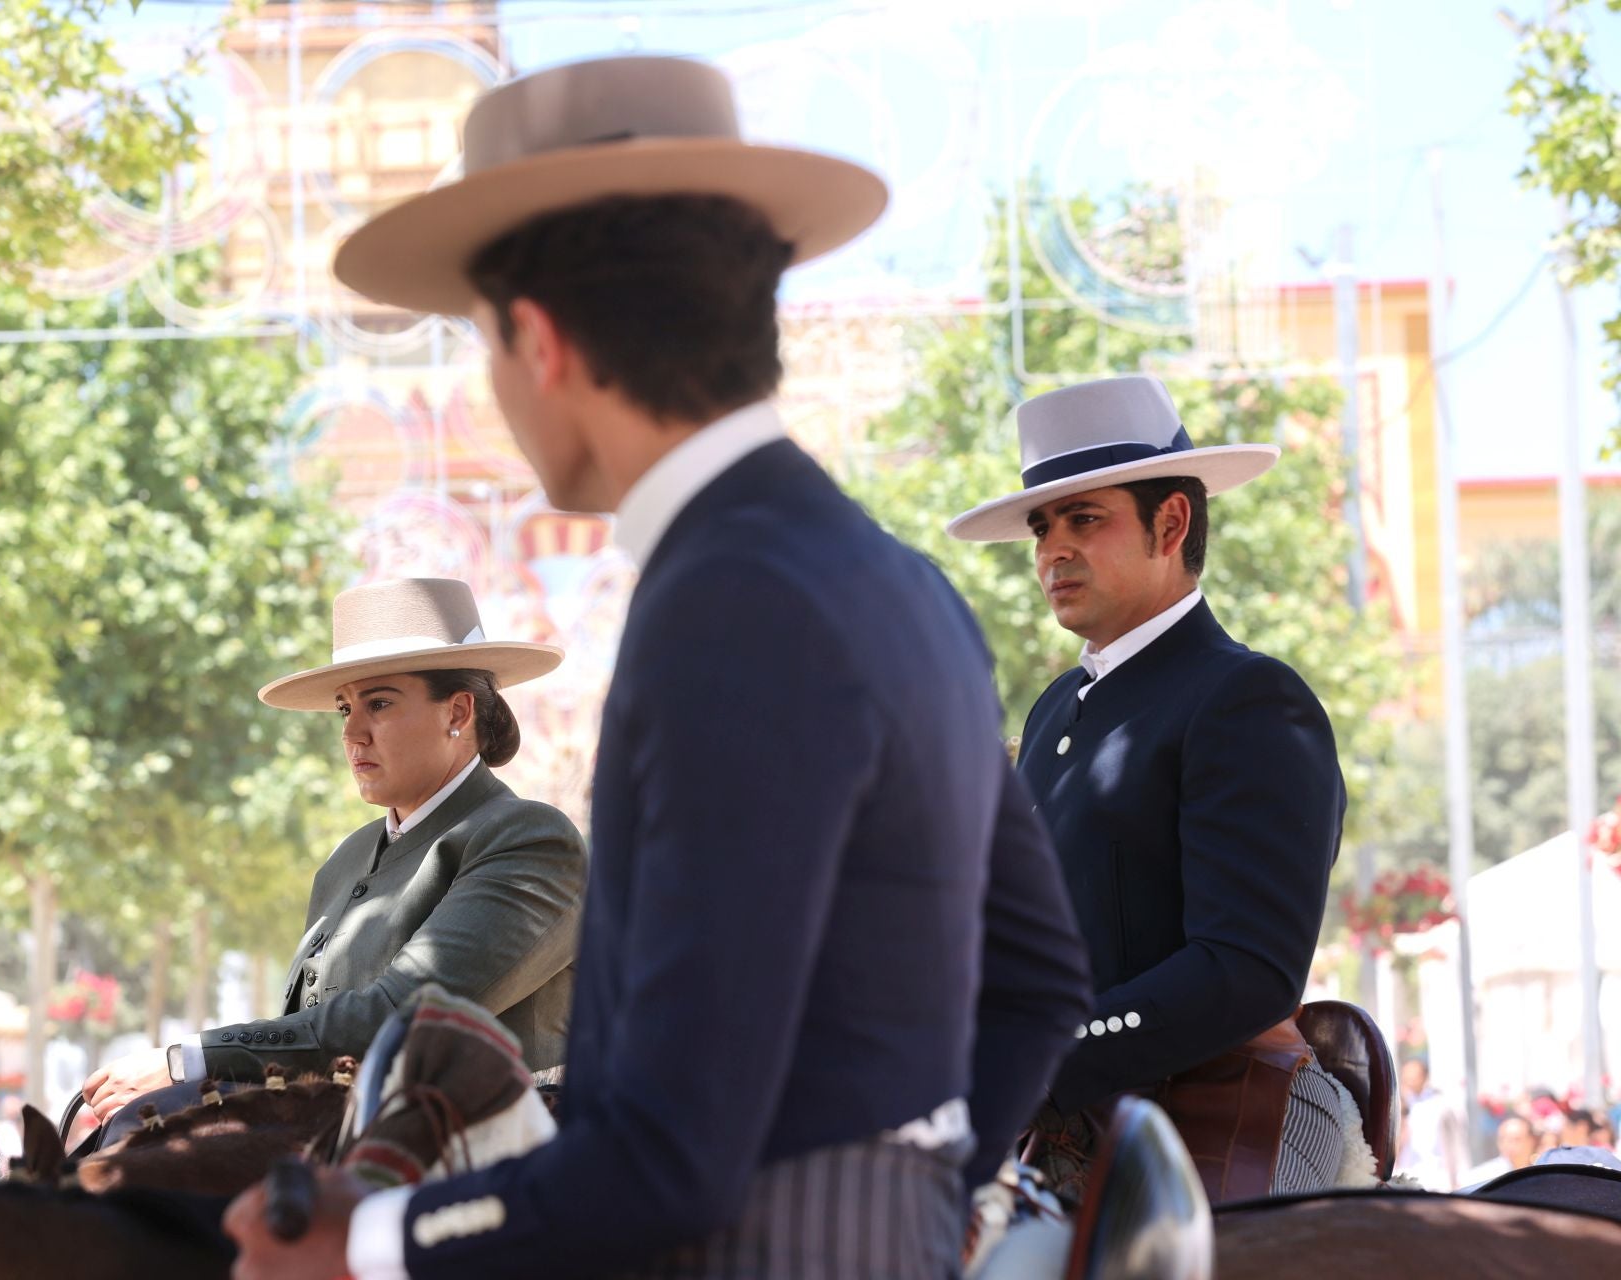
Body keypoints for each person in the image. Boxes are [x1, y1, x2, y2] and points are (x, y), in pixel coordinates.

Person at [224, 53, 1093, 1279]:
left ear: (537, 337)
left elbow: (671, 1154)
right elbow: (1041, 982)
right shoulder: (903, 583)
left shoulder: (727, 600)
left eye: (482, 340)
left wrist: (369, 1237)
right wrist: (915, 1192)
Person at [946, 375, 1349, 1202]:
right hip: (1066, 1111)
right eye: (1042, 527)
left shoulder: (1247, 698)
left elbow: (1247, 969)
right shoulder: (1059, 704)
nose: (1051, 550)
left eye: (1084, 519)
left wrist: (1051, 1053)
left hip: (1227, 1102)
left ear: (1172, 522)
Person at [81, 577, 586, 1127]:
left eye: (380, 703)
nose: (353, 734)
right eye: (345, 709)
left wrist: (189, 1061)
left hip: (476, 1174)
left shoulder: (530, 839)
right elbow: (303, 1040)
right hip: (330, 1152)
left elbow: (403, 1014)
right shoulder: (345, 861)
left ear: (458, 712)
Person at [1397, 1058, 1467, 1190]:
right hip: (1406, 1172)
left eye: (1414, 1075)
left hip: (1437, 1175)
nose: (1410, 1079)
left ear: (1424, 1076)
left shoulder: (1441, 1104)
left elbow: (1456, 1142)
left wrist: (1459, 1176)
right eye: (1407, 1076)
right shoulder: (1399, 1104)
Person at [1463, 1115, 1540, 1185]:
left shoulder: (1540, 1170)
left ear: (1532, 1141)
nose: (1508, 1145)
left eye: (1516, 1139)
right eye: (1502, 1139)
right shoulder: (1484, 1175)